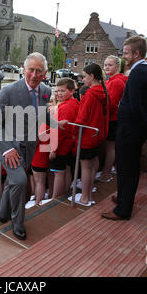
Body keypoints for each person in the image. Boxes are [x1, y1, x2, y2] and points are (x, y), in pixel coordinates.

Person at [0, 52, 67, 240]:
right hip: (8, 146)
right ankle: (18, 223)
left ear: (45, 73)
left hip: (29, 146)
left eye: (38, 71)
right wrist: (7, 149)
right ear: (24, 69)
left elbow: (41, 114)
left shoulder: (46, 91)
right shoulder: (8, 91)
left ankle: (2, 212)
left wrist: (56, 124)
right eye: (31, 70)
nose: (34, 75)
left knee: (14, 181)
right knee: (20, 181)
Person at [102, 35, 147, 221]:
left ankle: (123, 209)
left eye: (126, 53)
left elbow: (136, 105)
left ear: (137, 53)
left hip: (130, 130)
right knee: (128, 167)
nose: (123, 56)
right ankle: (124, 197)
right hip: (134, 129)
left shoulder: (138, 72)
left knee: (127, 168)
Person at [73, 64, 109, 206]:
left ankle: (85, 198)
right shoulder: (102, 91)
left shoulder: (90, 94)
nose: (83, 79)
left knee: (86, 167)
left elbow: (81, 118)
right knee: (93, 163)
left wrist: (73, 132)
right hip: (97, 134)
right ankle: (88, 193)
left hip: (87, 135)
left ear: (92, 76)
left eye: (85, 76)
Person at [97, 55, 127, 183]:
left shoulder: (116, 82)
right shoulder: (111, 81)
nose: (107, 67)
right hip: (109, 118)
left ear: (118, 67)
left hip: (113, 119)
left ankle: (106, 173)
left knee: (110, 148)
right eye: (105, 65)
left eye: (110, 65)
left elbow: (111, 103)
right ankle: (108, 170)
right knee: (110, 147)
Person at [49, 78, 80, 200]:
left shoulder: (65, 107)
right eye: (57, 91)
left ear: (72, 91)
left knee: (58, 172)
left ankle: (55, 198)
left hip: (62, 146)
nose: (59, 94)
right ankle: (65, 192)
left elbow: (60, 131)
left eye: (62, 91)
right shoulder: (75, 103)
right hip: (69, 144)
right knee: (66, 169)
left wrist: (53, 149)